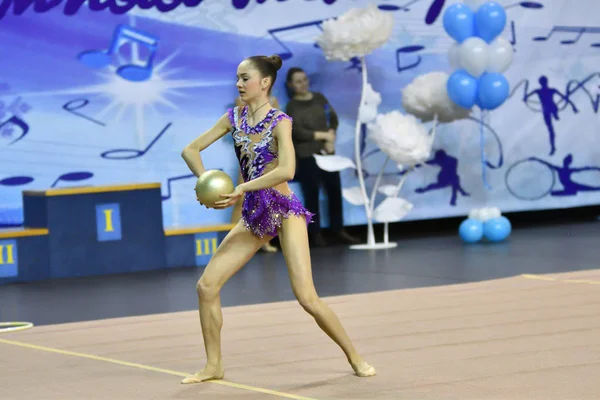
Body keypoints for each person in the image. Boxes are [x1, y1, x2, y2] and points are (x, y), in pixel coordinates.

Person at [180, 54, 376, 384]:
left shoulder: (280, 121)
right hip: (255, 214)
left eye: (245, 78)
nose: (239, 84)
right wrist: (208, 183)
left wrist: (241, 187)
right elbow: (190, 150)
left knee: (307, 298)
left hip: (283, 210)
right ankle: (214, 365)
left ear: (265, 83)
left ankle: (355, 357)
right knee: (206, 287)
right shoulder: (233, 118)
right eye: (238, 78)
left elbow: (287, 170)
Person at [285, 67, 360, 247]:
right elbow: (297, 131)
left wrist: (331, 136)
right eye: (298, 81)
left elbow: (332, 118)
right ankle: (315, 233)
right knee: (312, 195)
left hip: (327, 153)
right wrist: (321, 136)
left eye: (304, 79)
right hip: (307, 156)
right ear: (290, 85)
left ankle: (338, 229)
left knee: (334, 190)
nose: (303, 84)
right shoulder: (292, 106)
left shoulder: (319, 98)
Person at [229, 95, 281, 253]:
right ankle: (232, 242)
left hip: (270, 155)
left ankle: (263, 240)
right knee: (242, 198)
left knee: (269, 198)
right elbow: (243, 126)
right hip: (250, 155)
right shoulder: (240, 100)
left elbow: (278, 128)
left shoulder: (274, 100)